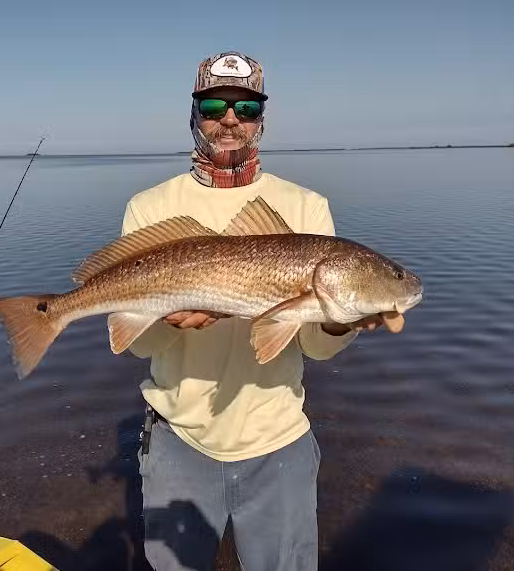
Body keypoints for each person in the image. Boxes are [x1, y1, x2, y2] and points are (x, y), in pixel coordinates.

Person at [120, 52, 405, 571]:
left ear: (262, 119)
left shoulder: (305, 207)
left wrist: (340, 320)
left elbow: (315, 347)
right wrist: (163, 319)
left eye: (246, 107)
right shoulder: (149, 207)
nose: (229, 120)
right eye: (214, 105)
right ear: (193, 112)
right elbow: (136, 341)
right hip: (177, 439)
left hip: (279, 442)